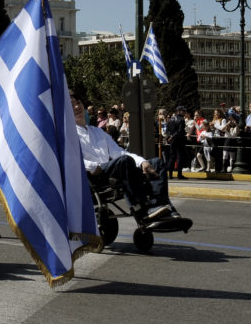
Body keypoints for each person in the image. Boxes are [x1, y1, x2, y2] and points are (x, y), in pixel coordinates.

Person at [71, 90, 175, 226]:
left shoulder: (97, 132)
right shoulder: (69, 134)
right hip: (93, 176)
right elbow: (71, 159)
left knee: (156, 163)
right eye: (71, 105)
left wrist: (141, 161)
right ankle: (140, 209)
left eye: (78, 103)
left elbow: (118, 152)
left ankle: (161, 206)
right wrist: (92, 167)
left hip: (109, 169)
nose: (77, 107)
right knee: (124, 162)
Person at [163, 106, 187, 179]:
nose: (184, 112)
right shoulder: (181, 120)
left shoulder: (170, 119)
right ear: (179, 111)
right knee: (179, 157)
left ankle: (170, 174)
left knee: (172, 157)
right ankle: (179, 174)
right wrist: (172, 137)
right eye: (183, 111)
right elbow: (179, 131)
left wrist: (169, 137)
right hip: (179, 140)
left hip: (172, 141)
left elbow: (167, 131)